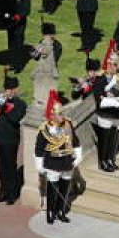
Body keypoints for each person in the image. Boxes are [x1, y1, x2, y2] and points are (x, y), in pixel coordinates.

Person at [34, 92, 80, 224]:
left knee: (65, 186)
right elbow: (39, 148)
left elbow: (75, 141)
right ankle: (50, 211)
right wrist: (40, 164)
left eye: (62, 113)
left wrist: (77, 155)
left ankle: (61, 210)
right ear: (52, 115)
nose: (61, 116)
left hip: (67, 160)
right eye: (58, 114)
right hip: (53, 161)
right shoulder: (45, 129)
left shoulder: (68, 124)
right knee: (53, 188)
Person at [0, 76, 26, 204]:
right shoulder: (0, 101)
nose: (8, 92)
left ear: (16, 89)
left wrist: (5, 106)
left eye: (11, 89)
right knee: (1, 168)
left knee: (10, 167)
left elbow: (15, 118)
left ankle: (12, 194)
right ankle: (3, 193)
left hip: (10, 140)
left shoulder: (20, 104)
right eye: (7, 89)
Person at [93, 75, 119, 171]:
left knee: (113, 138)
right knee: (104, 139)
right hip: (105, 113)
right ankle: (103, 161)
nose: (113, 67)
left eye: (114, 64)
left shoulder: (118, 78)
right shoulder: (101, 79)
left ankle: (110, 159)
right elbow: (99, 96)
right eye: (111, 64)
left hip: (116, 112)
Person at [6, 0, 31, 67]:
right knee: (11, 41)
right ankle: (12, 60)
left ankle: (19, 64)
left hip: (20, 23)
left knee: (18, 41)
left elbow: (26, 10)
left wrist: (18, 16)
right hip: (10, 23)